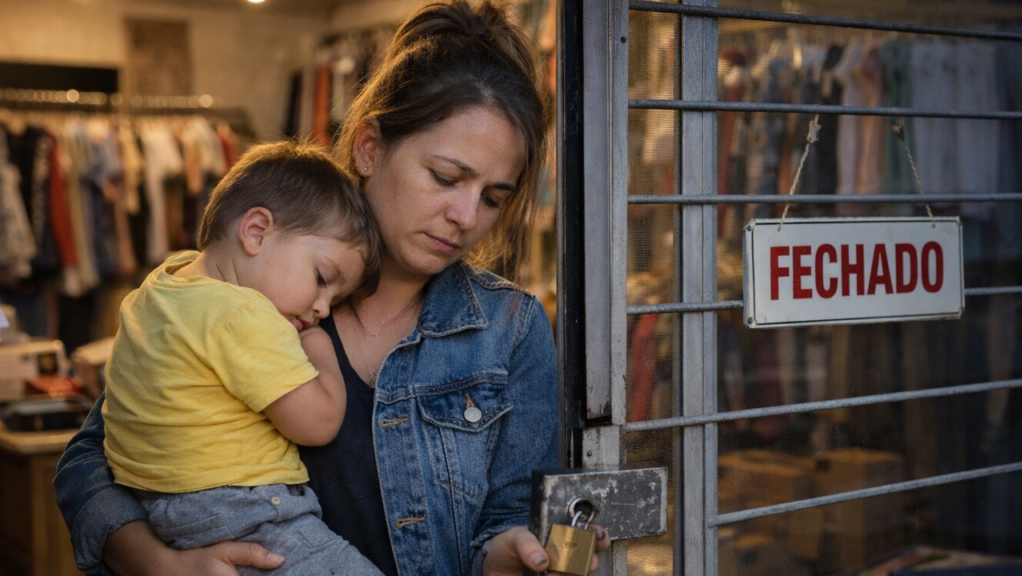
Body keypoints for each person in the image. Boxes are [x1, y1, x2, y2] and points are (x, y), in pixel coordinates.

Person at [54, 2, 610, 575]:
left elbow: (506, 525)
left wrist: (512, 555)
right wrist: (159, 564)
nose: (467, 217)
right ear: (369, 147)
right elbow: (91, 459)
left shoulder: (510, 329)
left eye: (493, 198)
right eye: (446, 177)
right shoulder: (248, 286)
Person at [100, 140, 385, 575]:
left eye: (335, 299)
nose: (323, 309)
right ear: (256, 232)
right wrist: (319, 348)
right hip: (244, 510)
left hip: (157, 508)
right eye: (322, 278)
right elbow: (318, 423)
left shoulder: (157, 289)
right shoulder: (242, 313)